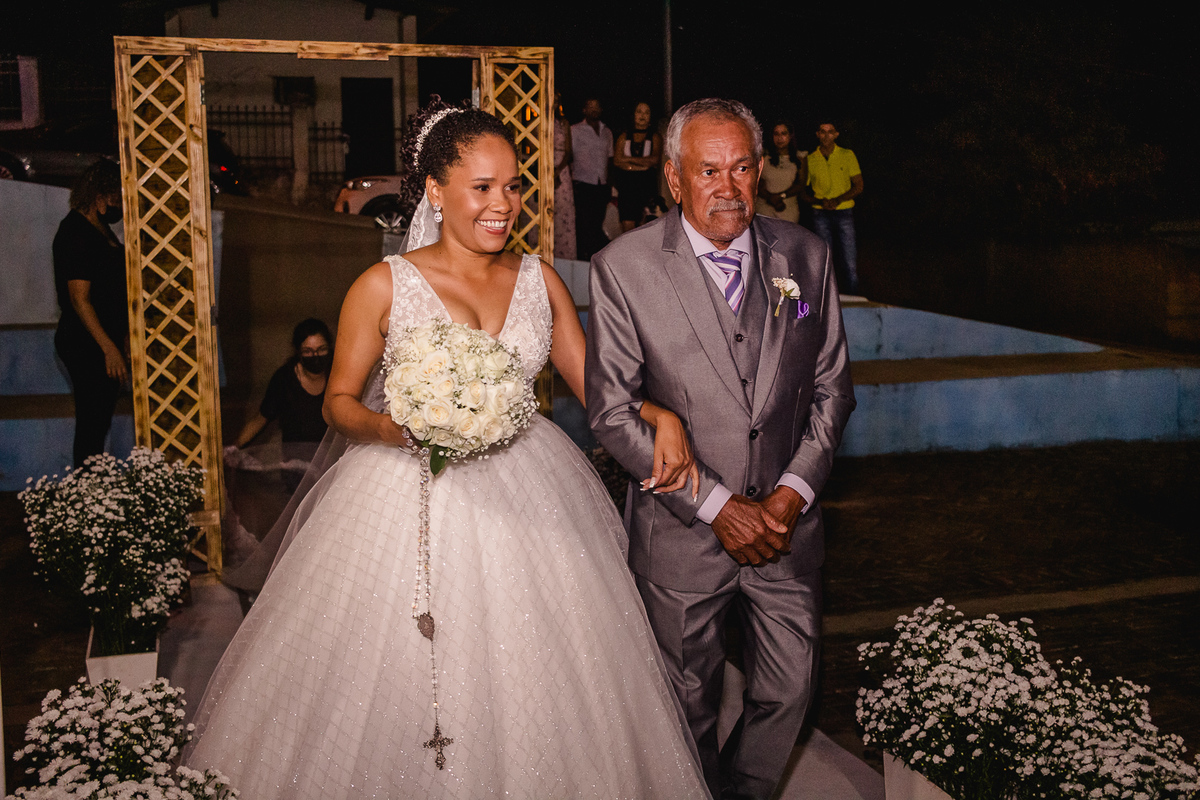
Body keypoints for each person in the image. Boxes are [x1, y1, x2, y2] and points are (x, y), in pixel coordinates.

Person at [185, 102, 711, 799]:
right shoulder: (384, 286)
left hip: (528, 492)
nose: (505, 205)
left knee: (539, 673)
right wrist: (395, 429)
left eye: (515, 186)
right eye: (484, 188)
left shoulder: (539, 281)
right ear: (435, 190)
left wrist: (661, 414)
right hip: (402, 492)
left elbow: (599, 391)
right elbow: (337, 402)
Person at [586, 98, 856, 800]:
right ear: (674, 179)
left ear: (762, 170)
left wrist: (792, 495)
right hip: (682, 535)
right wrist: (715, 506)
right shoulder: (624, 267)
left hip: (786, 531)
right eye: (709, 170)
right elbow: (612, 412)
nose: (728, 186)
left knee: (791, 690)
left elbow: (828, 385)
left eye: (741, 167)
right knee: (685, 707)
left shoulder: (805, 257)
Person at [52, 158, 128, 468]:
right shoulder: (76, 233)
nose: (118, 206)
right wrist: (107, 347)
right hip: (86, 343)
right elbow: (79, 299)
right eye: (114, 199)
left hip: (102, 340)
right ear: (98, 197)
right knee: (91, 421)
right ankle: (88, 494)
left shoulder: (100, 230)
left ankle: (94, 488)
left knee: (99, 420)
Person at [231, 317, 331, 456]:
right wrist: (235, 447)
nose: (315, 356)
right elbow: (261, 418)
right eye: (308, 351)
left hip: (331, 462)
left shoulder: (338, 376)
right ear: (298, 352)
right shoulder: (285, 379)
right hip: (295, 465)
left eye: (321, 349)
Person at [803, 120, 863, 294]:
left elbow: (858, 185)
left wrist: (838, 200)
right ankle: (827, 299)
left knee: (849, 259)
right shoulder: (811, 158)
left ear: (836, 134)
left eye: (830, 131)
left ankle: (853, 295)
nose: (826, 135)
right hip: (820, 212)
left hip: (844, 210)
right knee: (825, 258)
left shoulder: (847, 154)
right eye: (822, 131)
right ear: (817, 134)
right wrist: (819, 201)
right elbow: (803, 188)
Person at [570, 97, 613, 260]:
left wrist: (609, 184)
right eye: (591, 107)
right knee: (584, 224)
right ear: (584, 110)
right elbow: (569, 156)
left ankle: (595, 258)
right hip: (583, 183)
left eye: (597, 107)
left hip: (601, 184)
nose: (594, 110)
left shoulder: (606, 132)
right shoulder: (574, 130)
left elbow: (610, 159)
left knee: (597, 224)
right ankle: (583, 258)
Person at [612, 101, 663, 233]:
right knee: (627, 229)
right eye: (639, 111)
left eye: (646, 112)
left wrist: (628, 162)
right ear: (633, 114)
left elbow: (654, 160)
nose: (642, 115)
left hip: (646, 187)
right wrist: (641, 165)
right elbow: (617, 161)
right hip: (627, 188)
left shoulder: (655, 137)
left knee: (645, 228)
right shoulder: (624, 136)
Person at [754, 121, 806, 224]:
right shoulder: (762, 156)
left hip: (787, 208)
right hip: (764, 209)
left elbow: (801, 184)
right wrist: (770, 198)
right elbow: (757, 182)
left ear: (790, 136)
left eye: (784, 133)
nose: (780, 138)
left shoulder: (800, 157)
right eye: (776, 134)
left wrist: (781, 196)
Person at [552, 92, 577, 259]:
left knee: (563, 211)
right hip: (542, 166)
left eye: (556, 100)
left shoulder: (564, 123)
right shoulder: (535, 122)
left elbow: (569, 151)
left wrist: (558, 169)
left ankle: (564, 254)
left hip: (561, 168)